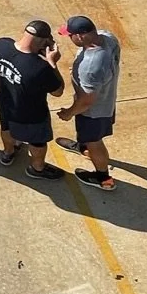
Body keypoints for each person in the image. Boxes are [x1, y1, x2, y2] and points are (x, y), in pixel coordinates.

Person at [0, 20, 65, 178]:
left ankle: (8, 153)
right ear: (44, 42)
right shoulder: (40, 67)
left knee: (6, 129)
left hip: (5, 102)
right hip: (32, 113)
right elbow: (58, 91)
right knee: (37, 142)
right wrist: (52, 63)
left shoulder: (0, 45)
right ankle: (37, 168)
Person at [57, 16, 121, 189]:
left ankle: (103, 178)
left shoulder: (91, 66)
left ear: (80, 36)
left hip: (94, 112)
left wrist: (69, 113)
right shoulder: (107, 37)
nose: (69, 38)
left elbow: (87, 101)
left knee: (95, 141)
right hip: (107, 98)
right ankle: (83, 146)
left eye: (70, 35)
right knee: (88, 137)